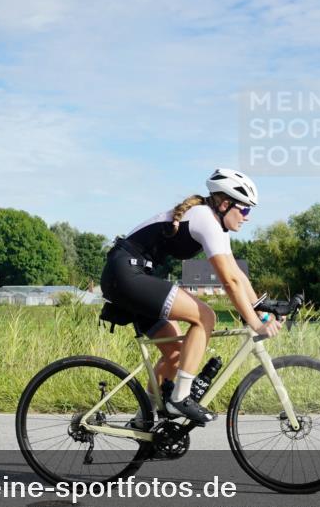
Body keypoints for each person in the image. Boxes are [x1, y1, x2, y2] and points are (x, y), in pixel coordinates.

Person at [99, 169, 282, 425]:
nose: (247, 218)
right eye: (245, 210)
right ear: (225, 203)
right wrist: (256, 323)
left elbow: (237, 276)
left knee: (175, 353)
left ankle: (144, 420)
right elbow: (228, 283)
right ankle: (180, 398)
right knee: (205, 316)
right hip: (126, 273)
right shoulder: (205, 219)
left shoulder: (215, 225)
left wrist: (263, 309)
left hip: (131, 274)